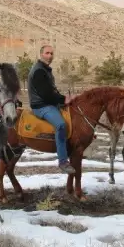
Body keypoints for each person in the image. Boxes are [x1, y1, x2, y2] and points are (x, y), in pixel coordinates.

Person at [27, 45, 75, 174]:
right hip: (41, 106)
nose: (50, 56)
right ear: (41, 54)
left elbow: (51, 91)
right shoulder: (38, 71)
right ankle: (63, 161)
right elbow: (45, 94)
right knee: (60, 125)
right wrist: (63, 99)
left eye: (52, 53)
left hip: (49, 103)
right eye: (47, 53)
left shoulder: (45, 69)